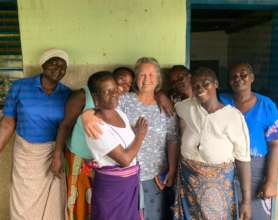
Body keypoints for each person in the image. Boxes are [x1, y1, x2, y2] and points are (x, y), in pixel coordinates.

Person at [83, 57, 179, 220]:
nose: (146, 79)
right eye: (142, 75)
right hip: (123, 178)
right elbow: (102, 107)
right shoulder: (124, 100)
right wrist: (86, 115)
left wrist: (172, 169)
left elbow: (172, 139)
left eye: (151, 75)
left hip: (154, 176)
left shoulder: (166, 106)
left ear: (158, 79)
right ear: (136, 79)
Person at [0, 49, 71, 220]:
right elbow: (8, 123)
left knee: (53, 202)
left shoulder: (67, 94)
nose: (58, 68)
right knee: (23, 202)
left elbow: (66, 126)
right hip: (25, 154)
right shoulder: (21, 87)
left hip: (54, 153)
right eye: (54, 62)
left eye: (63, 66)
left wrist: (58, 155)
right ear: (43, 64)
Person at [173, 67, 252, 220]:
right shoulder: (186, 107)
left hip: (220, 187)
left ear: (216, 84)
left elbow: (243, 160)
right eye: (195, 86)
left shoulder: (233, 117)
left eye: (206, 83)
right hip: (188, 184)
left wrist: (246, 201)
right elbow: (171, 107)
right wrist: (162, 96)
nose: (200, 88)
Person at [220, 63, 278, 220]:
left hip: (256, 170)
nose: (238, 79)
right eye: (233, 76)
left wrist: (271, 181)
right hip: (225, 168)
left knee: (255, 215)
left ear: (252, 77)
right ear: (229, 81)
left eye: (243, 75)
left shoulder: (266, 105)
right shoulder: (221, 101)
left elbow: (276, 145)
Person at [82, 71, 148, 220]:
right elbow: (124, 160)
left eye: (115, 89)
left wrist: (135, 132)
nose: (114, 94)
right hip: (112, 189)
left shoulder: (119, 112)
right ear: (95, 98)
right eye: (107, 91)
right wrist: (140, 135)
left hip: (129, 185)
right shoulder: (95, 126)